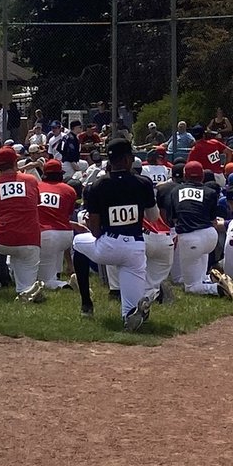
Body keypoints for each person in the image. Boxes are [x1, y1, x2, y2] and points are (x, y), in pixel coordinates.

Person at [71, 136, 158, 331]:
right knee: (128, 309)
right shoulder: (143, 183)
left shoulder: (97, 186)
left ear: (109, 161)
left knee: (78, 242)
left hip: (108, 244)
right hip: (136, 247)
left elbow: (94, 229)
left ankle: (86, 304)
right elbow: (153, 218)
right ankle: (133, 313)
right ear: (128, 159)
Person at [167, 161, 233, 299]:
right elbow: (213, 220)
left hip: (190, 238)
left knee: (191, 287)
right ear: (202, 177)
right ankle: (209, 279)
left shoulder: (175, 191)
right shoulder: (211, 192)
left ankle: (217, 288)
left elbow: (174, 219)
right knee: (198, 275)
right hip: (209, 236)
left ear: (184, 176)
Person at [0, 146, 44, 302]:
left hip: (4, 239)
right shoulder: (30, 180)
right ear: (16, 162)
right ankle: (26, 290)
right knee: (25, 289)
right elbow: (36, 204)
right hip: (31, 240)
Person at [35, 158, 78, 289]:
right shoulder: (69, 190)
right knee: (55, 250)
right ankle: (57, 273)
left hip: (45, 233)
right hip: (66, 234)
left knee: (44, 281)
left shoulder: (36, 187)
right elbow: (67, 214)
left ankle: (64, 285)